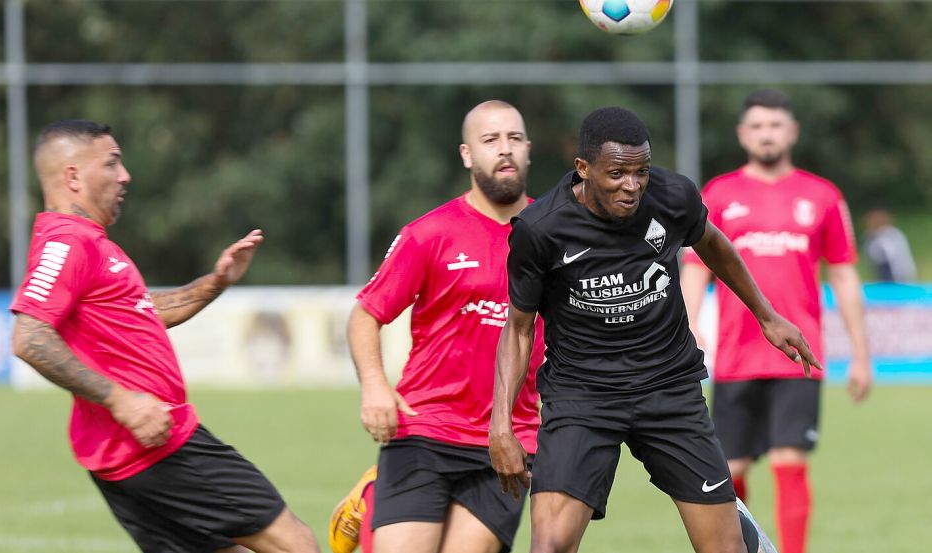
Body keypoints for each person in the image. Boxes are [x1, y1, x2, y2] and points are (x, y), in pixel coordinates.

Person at [489, 106, 815, 553]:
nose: (633, 185)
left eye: (641, 170)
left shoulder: (672, 196)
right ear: (583, 169)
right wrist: (500, 426)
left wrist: (767, 316)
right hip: (583, 396)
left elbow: (714, 243)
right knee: (550, 546)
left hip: (669, 388)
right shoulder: (540, 229)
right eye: (617, 173)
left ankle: (738, 525)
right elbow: (519, 328)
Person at [10, 120, 319, 553]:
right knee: (296, 545)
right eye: (112, 163)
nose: (125, 175)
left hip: (125, 454)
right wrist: (123, 400)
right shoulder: (67, 244)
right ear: (73, 177)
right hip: (158, 445)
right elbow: (29, 335)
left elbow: (144, 312)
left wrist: (214, 282)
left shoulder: (92, 244)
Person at [329, 100, 546, 553]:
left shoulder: (557, 235)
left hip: (506, 438)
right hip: (424, 427)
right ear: (467, 154)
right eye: (490, 140)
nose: (503, 150)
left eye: (513, 139)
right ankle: (378, 501)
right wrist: (373, 386)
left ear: (528, 149)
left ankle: (377, 500)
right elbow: (366, 314)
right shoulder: (430, 234)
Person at [680, 89, 873, 553]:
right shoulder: (719, 194)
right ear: (744, 134)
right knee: (731, 471)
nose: (767, 134)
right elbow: (694, 268)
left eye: (775, 125)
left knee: (791, 461)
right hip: (734, 355)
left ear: (792, 132)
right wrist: (688, 327)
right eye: (758, 126)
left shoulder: (822, 196)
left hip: (798, 356)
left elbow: (845, 277)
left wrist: (862, 355)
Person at [863, 207, 917, 283]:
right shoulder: (892, 233)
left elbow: (882, 257)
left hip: (896, 275)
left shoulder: (887, 234)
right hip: (901, 273)